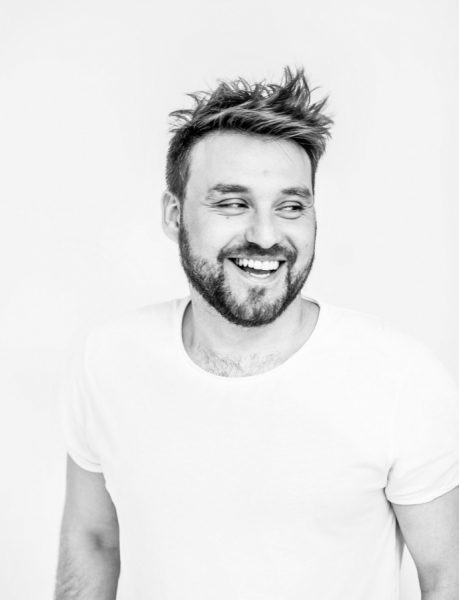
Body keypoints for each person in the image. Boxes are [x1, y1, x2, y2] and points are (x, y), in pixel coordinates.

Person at [55, 68, 459, 599]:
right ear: (174, 215)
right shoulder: (108, 358)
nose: (267, 236)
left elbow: (447, 574)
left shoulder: (400, 378)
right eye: (232, 203)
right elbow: (92, 541)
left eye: (290, 207)